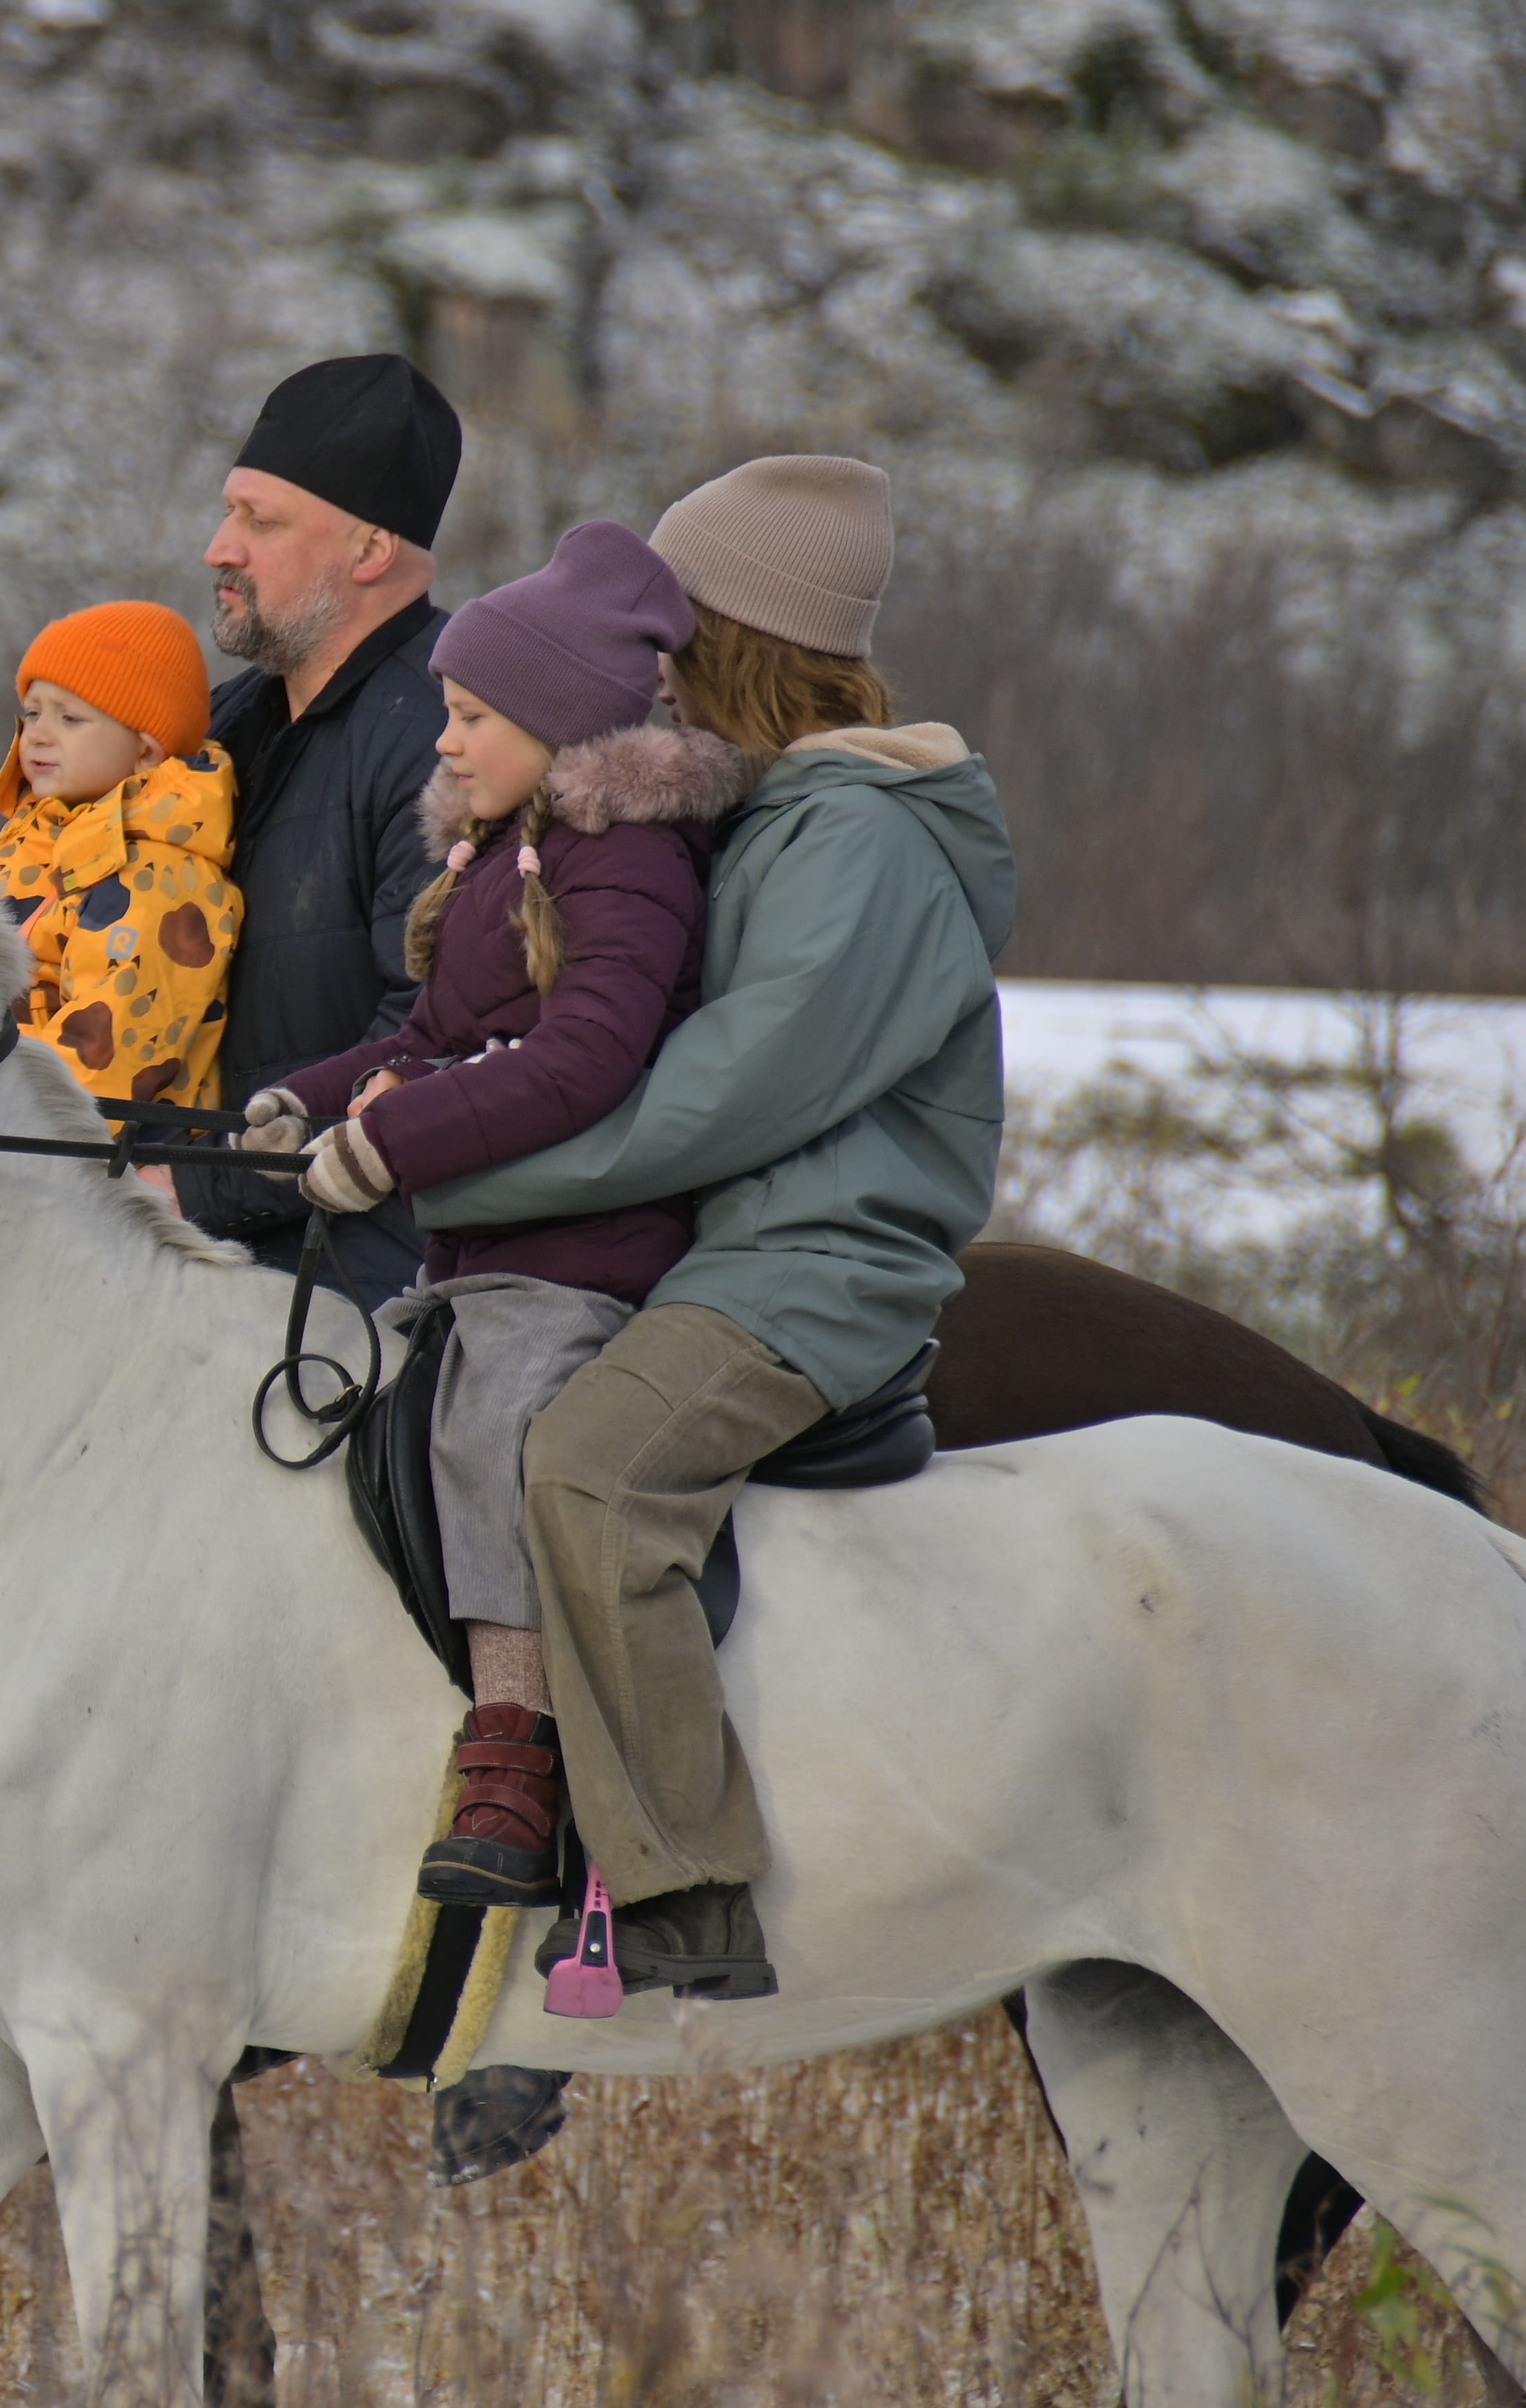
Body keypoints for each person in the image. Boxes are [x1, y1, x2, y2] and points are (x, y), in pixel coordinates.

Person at [396, 456, 1015, 2000]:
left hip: (812, 1259)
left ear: (733, 642)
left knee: (591, 1468)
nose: (643, 672)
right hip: (714, 1241)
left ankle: (678, 1885)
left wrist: (446, 1177)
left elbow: (720, 1100)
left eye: (675, 635)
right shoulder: (758, 817)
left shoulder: (860, 842)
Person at [238, 522, 751, 1910]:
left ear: (562, 728)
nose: (445, 743)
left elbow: (580, 1063)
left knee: (489, 1427)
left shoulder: (626, 868)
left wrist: (386, 1143)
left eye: (472, 719)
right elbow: (441, 1036)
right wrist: (306, 1099)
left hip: (580, 1261)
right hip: (478, 1249)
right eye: (449, 716)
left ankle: (516, 1748)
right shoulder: (502, 860)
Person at [173, 354, 463, 1303]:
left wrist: (193, 1185)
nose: (221, 546)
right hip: (208, 1242)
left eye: (262, 522)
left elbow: (429, 1037)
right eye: (230, 511)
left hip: (357, 1279)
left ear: (371, 550)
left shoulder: (445, 737)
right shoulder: (220, 728)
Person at [0, 601, 245, 1108]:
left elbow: (102, 1063)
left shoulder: (165, 877)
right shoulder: (22, 844)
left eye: (71, 718)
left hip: (77, 1159)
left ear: (146, 750)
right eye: (34, 711)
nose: (38, 733)